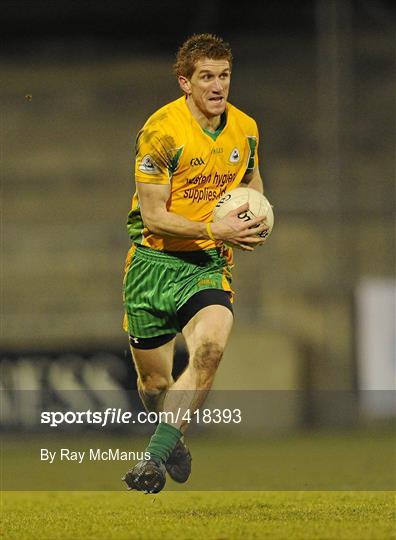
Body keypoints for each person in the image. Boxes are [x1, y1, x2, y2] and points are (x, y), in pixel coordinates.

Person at [122, 33, 268, 493]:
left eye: (224, 75)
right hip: (152, 264)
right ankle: (174, 437)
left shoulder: (245, 129)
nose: (218, 86)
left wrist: (253, 218)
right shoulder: (160, 132)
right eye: (206, 76)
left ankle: (152, 460)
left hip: (207, 264)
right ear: (186, 82)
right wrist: (214, 227)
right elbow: (154, 216)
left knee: (209, 350)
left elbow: (252, 184)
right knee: (153, 384)